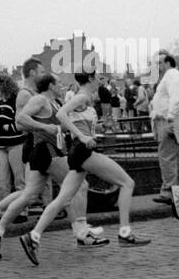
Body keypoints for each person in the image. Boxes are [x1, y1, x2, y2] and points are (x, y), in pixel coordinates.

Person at [16, 71, 149, 264]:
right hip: (83, 152)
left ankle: (33, 236)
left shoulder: (85, 99)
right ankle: (125, 232)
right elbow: (61, 115)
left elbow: (79, 122)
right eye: (100, 79)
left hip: (79, 152)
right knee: (127, 183)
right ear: (92, 80)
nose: (103, 82)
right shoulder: (82, 96)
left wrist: (102, 128)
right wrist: (82, 136)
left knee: (63, 198)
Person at [0, 69, 107, 256]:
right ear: (51, 86)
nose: (62, 87)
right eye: (58, 84)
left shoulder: (54, 103)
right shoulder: (39, 99)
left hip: (47, 151)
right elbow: (20, 119)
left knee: (28, 195)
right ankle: (81, 232)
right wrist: (44, 127)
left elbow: (60, 126)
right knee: (79, 186)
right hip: (48, 151)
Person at [149, 52, 179, 202]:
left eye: (159, 63)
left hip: (167, 120)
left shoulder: (171, 76)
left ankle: (169, 191)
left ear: (167, 63)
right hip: (171, 119)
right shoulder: (173, 75)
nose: (158, 66)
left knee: (166, 156)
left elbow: (175, 97)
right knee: (177, 157)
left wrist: (171, 118)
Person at [0, 73, 25, 202]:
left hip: (16, 144)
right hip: (1, 146)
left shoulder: (15, 102)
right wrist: (2, 126)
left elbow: (19, 124)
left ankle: (22, 210)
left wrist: (3, 127)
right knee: (1, 180)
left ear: (3, 86)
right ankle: (4, 209)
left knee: (20, 179)